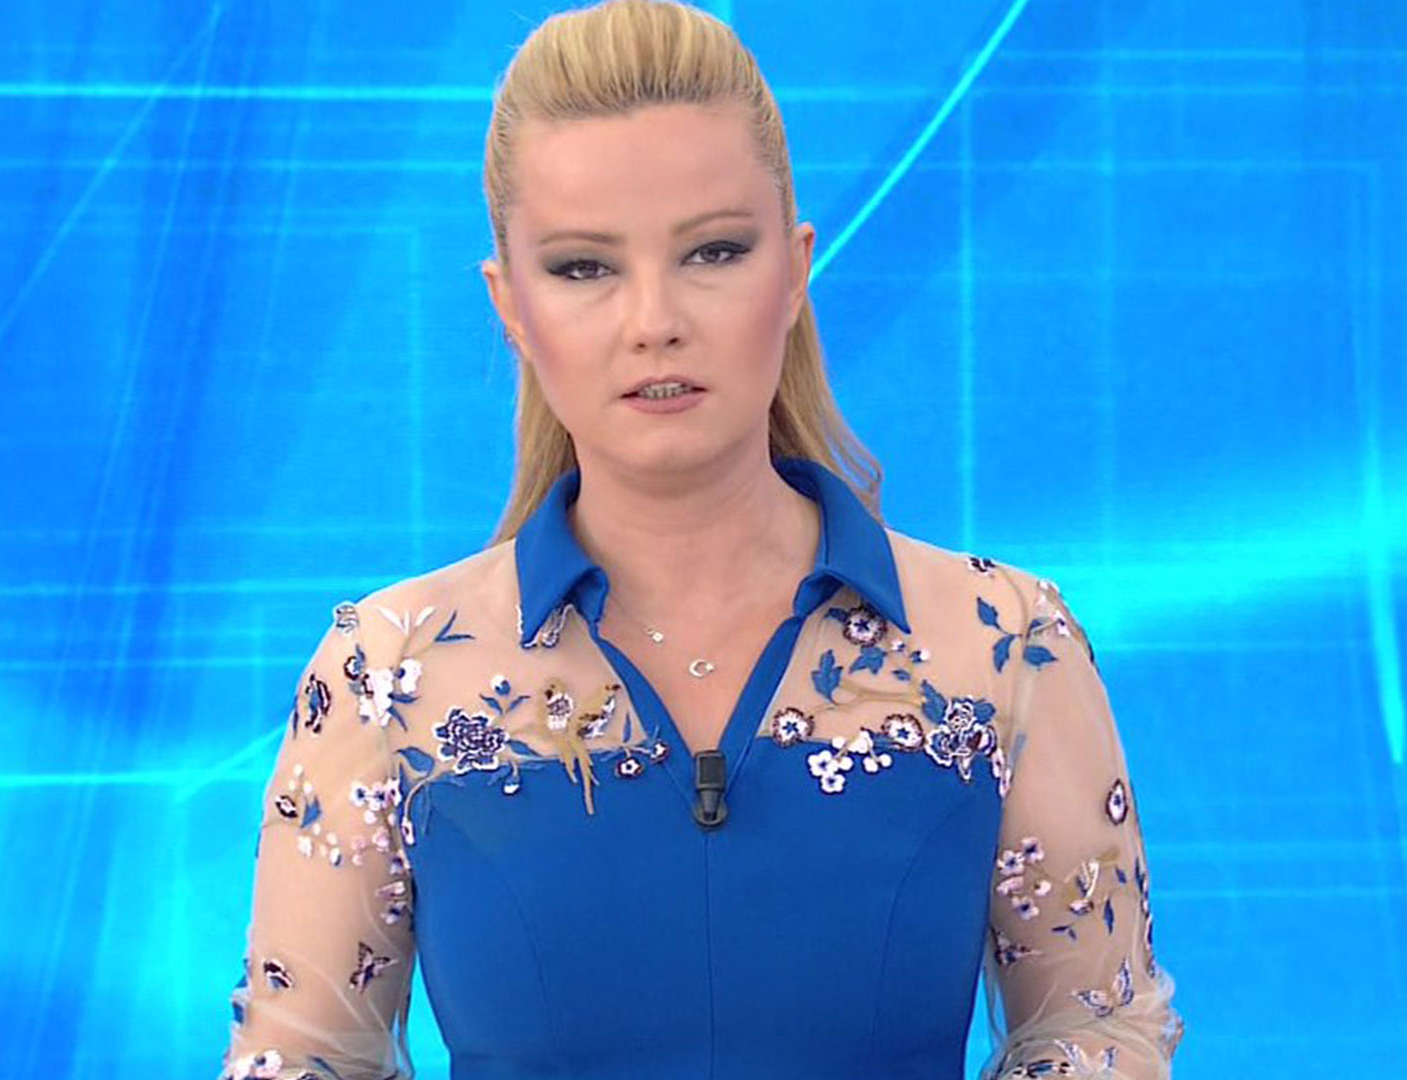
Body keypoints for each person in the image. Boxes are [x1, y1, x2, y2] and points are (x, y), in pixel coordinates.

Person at [217, 1, 1184, 1077]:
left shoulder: (1005, 643)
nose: (655, 321)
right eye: (583, 267)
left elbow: (1098, 1032)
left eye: (714, 251)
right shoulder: (386, 674)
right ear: (509, 303)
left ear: (795, 268)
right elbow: (301, 1061)